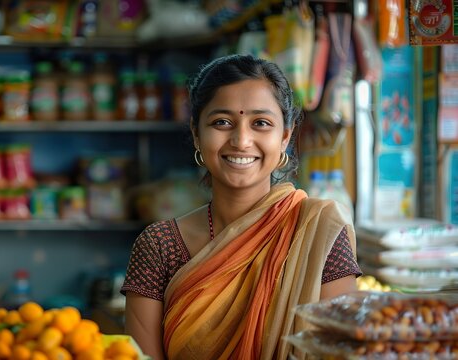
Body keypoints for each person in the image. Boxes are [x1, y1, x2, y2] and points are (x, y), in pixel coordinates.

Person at [121, 54, 362, 359]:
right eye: (222, 122)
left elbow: (338, 351)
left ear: (285, 137)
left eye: (261, 123)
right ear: (197, 133)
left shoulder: (318, 233)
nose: (241, 140)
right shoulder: (159, 247)